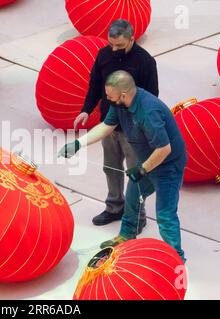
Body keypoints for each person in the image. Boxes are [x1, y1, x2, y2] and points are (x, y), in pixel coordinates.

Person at [59, 71, 187, 262]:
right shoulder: (119, 104)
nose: (108, 100)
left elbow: (164, 149)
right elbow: (107, 126)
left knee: (165, 213)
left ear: (124, 96)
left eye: (110, 97)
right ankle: (126, 236)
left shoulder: (148, 112)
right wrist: (78, 144)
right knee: (133, 198)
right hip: (146, 160)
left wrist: (142, 169)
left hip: (167, 166)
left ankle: (176, 257)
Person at [73, 19, 158, 228]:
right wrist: (86, 109)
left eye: (119, 45)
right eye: (111, 44)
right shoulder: (104, 55)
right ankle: (114, 207)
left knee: (135, 173)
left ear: (131, 38)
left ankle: (137, 216)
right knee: (111, 168)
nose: (114, 49)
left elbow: (152, 96)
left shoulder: (145, 62)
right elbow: (95, 86)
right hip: (109, 125)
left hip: (133, 129)